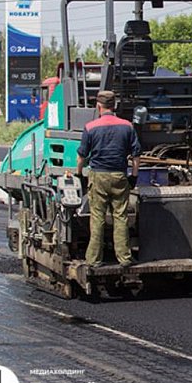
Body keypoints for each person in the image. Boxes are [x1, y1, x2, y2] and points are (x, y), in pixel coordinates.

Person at [75, 90, 142, 268]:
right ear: (115, 106)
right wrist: (134, 177)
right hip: (119, 176)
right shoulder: (127, 126)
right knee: (120, 216)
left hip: (98, 176)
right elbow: (136, 156)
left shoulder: (90, 127)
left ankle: (94, 260)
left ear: (98, 106)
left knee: (97, 217)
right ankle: (125, 258)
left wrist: (79, 174)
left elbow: (81, 156)